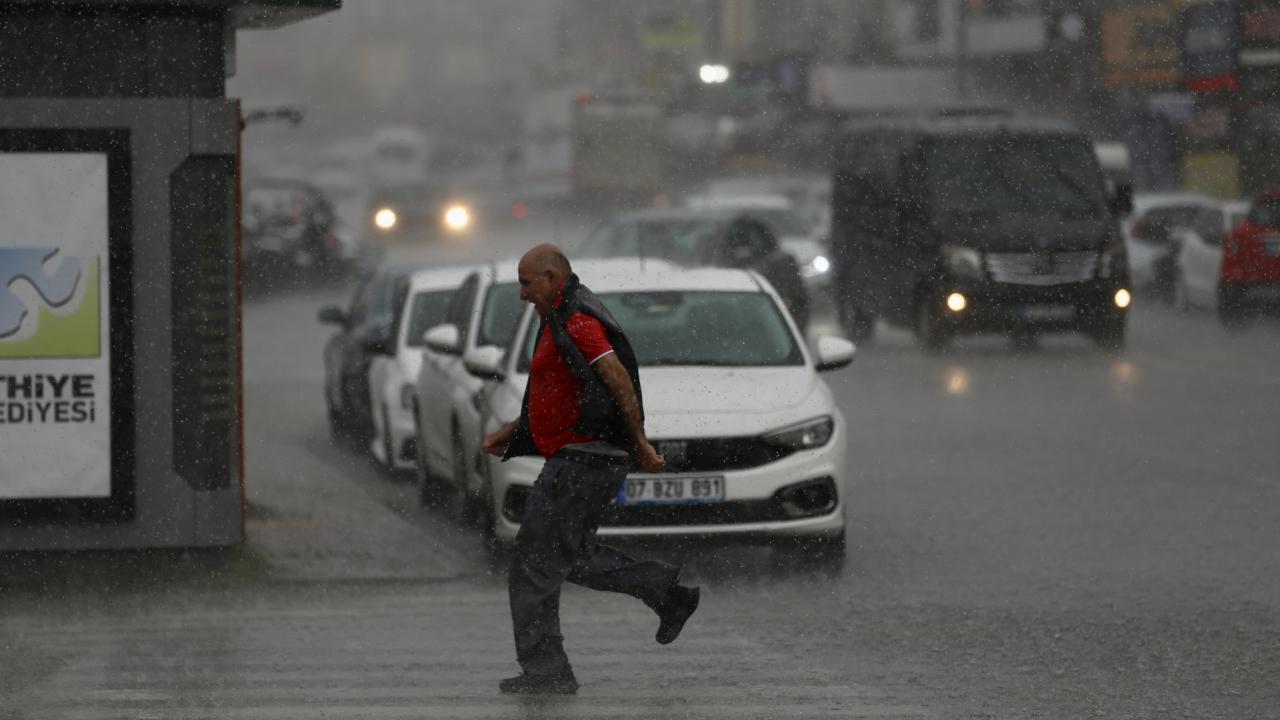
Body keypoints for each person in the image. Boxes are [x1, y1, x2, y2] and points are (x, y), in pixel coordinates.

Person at [482, 244, 701, 695]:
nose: (522, 295)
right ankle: (666, 592)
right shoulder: (558, 316)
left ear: (550, 278)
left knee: (533, 564)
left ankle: (547, 670)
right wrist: (516, 430)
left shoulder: (578, 319)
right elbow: (559, 392)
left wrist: (640, 441)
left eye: (527, 283)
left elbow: (617, 378)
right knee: (569, 557)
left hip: (582, 462)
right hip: (580, 460)